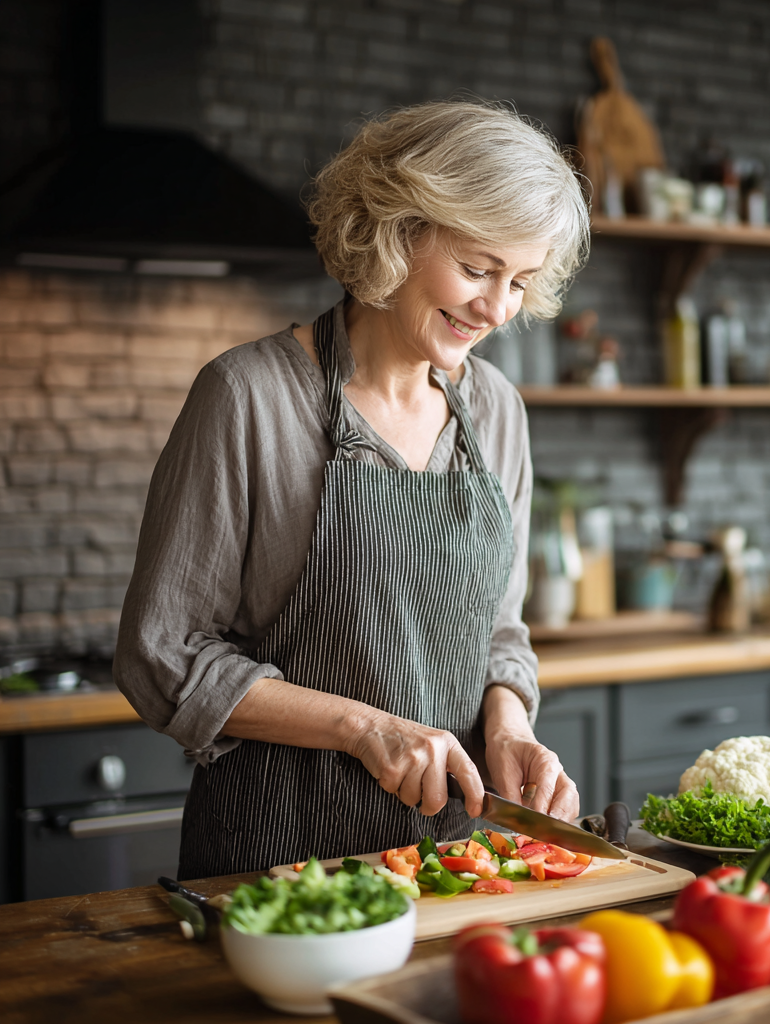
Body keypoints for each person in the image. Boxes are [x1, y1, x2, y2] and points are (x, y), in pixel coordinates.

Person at [113, 100, 591, 878]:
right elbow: (162, 654)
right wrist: (363, 729)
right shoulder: (249, 396)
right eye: (476, 269)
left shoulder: (497, 409)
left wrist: (508, 727)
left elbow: (499, 631)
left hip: (455, 858)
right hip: (277, 858)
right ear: (398, 232)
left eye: (521, 281)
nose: (498, 308)